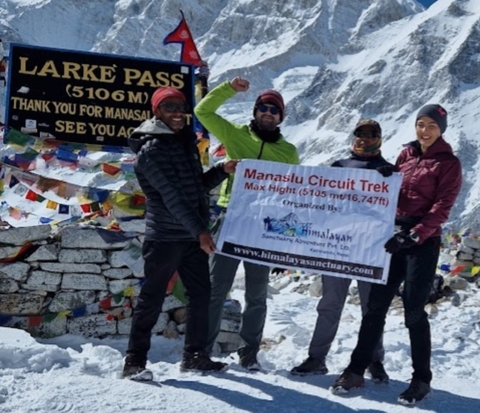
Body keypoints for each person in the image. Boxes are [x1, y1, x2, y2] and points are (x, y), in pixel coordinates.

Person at [331, 104, 462, 406]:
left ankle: (421, 380)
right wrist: (388, 178)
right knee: (375, 307)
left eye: (431, 125)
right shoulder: (406, 154)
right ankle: (355, 370)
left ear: (441, 128)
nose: (424, 130)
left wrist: (414, 234)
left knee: (414, 311)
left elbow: (441, 208)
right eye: (420, 124)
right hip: (394, 238)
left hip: (422, 242)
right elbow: (398, 195)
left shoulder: (449, 163)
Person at [122, 86, 238, 380]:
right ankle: (134, 362)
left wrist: (223, 170)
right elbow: (172, 197)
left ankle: (195, 356)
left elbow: (194, 188)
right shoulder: (151, 150)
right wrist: (201, 231)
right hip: (164, 238)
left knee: (201, 295)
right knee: (152, 297)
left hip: (189, 236)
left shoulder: (183, 143)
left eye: (180, 107)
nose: (177, 112)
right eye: (169, 106)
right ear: (156, 111)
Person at [194, 77, 300, 370]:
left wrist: (285, 237)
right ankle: (201, 350)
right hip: (233, 218)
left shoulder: (288, 152)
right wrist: (229, 88)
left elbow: (293, 193)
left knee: (257, 293)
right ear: (255, 111)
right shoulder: (235, 135)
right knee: (217, 289)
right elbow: (202, 112)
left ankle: (249, 352)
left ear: (281, 117)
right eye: (263, 107)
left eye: (274, 110)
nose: (268, 113)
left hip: (264, 226)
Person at [291, 119, 394, 383]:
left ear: (379, 138)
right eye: (360, 133)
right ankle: (316, 358)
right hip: (338, 247)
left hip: (371, 249)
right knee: (330, 304)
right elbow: (322, 202)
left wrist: (392, 182)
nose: (364, 138)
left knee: (372, 309)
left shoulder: (388, 171)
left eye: (371, 134)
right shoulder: (338, 167)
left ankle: (374, 360)